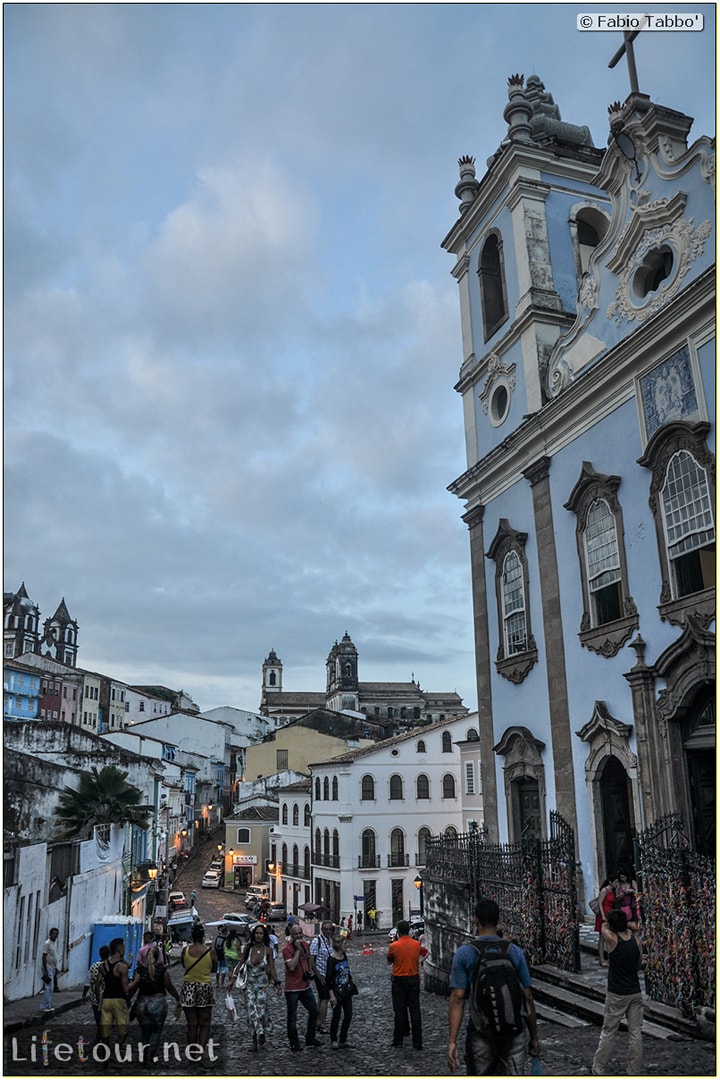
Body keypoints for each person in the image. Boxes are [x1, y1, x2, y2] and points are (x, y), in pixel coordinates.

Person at [447, 897, 540, 1075]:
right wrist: (534, 1037)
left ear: (475, 919)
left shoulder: (465, 953)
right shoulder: (514, 951)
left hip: (480, 1032)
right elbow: (527, 996)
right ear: (498, 920)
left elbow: (458, 997)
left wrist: (452, 1041)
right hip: (514, 1031)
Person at [591, 908, 643, 1075]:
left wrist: (612, 922)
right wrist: (627, 923)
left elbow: (604, 926)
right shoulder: (636, 942)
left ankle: (599, 1067)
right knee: (635, 1032)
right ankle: (633, 1070)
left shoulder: (612, 939)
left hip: (617, 993)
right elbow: (638, 965)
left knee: (609, 1032)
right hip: (634, 991)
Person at [129, 941, 180, 1059]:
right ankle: (150, 1056)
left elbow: (133, 988)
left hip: (142, 1004)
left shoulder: (140, 971)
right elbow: (169, 987)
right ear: (159, 957)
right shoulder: (162, 971)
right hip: (158, 1003)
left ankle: (142, 1055)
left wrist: (127, 1000)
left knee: (145, 1032)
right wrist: (178, 998)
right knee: (156, 1032)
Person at [237, 922, 282, 1051]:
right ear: (253, 934)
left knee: (261, 1011)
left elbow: (272, 968)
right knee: (251, 1012)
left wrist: (277, 982)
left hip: (262, 986)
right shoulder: (248, 948)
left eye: (261, 933)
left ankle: (261, 1030)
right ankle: (256, 1038)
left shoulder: (268, 950)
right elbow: (240, 963)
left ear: (264, 935)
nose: (258, 935)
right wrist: (232, 979)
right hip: (249, 986)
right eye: (256, 933)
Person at [282, 922, 323, 1051]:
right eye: (296, 934)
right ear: (291, 935)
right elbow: (292, 966)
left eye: (300, 933)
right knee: (292, 1016)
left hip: (305, 986)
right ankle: (294, 1042)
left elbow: (310, 959)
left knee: (314, 1011)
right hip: (292, 988)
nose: (299, 936)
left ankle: (310, 1037)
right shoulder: (286, 950)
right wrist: (298, 951)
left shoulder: (306, 945)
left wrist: (312, 972)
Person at [386, 919, 423, 1050]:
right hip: (413, 979)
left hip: (399, 980)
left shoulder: (394, 946)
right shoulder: (416, 944)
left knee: (399, 1011)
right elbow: (424, 954)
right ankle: (417, 1042)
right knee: (415, 1011)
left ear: (398, 931)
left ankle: (398, 1039)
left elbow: (389, 961)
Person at [180, 923, 217, 1051]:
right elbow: (214, 969)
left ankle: (192, 1055)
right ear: (203, 936)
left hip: (188, 987)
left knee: (192, 1025)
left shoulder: (185, 951)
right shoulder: (210, 951)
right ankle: (200, 1055)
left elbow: (184, 965)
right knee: (205, 1024)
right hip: (204, 987)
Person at [99, 938, 132, 1051]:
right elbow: (126, 989)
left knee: (105, 1032)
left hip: (106, 1001)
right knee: (123, 1031)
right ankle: (114, 1054)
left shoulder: (102, 966)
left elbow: (100, 983)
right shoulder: (122, 967)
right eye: (123, 948)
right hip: (119, 1000)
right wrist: (136, 981)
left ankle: (106, 1056)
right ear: (120, 950)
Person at [326, 933, 356, 1050]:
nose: (346, 945)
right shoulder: (331, 960)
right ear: (338, 945)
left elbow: (347, 971)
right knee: (336, 1017)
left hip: (346, 990)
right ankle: (334, 1039)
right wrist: (331, 995)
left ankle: (343, 1039)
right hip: (336, 992)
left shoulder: (344, 956)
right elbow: (328, 979)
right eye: (344, 943)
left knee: (348, 1015)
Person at [309, 920, 335, 1033]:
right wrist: (318, 975)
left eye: (330, 929)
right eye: (326, 929)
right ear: (322, 930)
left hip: (328, 974)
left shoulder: (329, 941)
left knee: (321, 998)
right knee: (325, 999)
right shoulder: (317, 941)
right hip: (321, 974)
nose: (328, 931)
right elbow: (312, 960)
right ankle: (323, 1024)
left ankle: (318, 1021)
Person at [82, 944, 110, 1037]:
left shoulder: (93, 966)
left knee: (98, 1018)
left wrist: (84, 995)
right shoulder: (110, 966)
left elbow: (87, 982)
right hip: (107, 996)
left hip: (95, 997)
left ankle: (100, 1035)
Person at [594, 879, 616, 965]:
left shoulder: (613, 891)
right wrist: (603, 915)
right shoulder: (604, 890)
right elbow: (600, 902)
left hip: (610, 913)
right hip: (604, 913)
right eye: (615, 882)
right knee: (602, 937)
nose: (617, 884)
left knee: (609, 936)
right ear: (611, 882)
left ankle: (610, 957)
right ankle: (601, 959)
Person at [40, 927, 60, 1012]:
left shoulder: (54, 944)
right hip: (48, 968)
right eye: (53, 934)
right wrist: (45, 970)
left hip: (52, 968)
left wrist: (56, 967)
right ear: (50, 934)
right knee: (48, 988)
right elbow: (44, 956)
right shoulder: (47, 943)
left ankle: (47, 1005)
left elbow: (53, 956)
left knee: (50, 988)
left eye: (56, 934)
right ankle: (43, 1006)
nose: (55, 935)